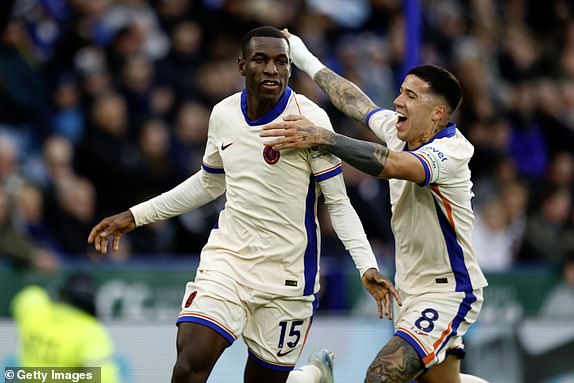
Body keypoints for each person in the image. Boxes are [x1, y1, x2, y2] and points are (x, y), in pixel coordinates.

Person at [88, 26, 400, 383]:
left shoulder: (309, 120)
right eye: (261, 60)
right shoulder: (223, 115)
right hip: (229, 261)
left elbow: (338, 203)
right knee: (188, 368)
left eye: (281, 61)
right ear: (241, 66)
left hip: (288, 276)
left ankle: (309, 377)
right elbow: (209, 181)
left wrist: (366, 265)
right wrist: (136, 215)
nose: (272, 70)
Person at [260, 30, 489, 383]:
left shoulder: (452, 154)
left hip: (448, 291)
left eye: (410, 96)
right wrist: (303, 55)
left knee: (381, 376)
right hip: (412, 292)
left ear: (437, 113)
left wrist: (325, 137)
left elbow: (393, 166)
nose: (398, 102)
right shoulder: (402, 133)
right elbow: (354, 101)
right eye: (400, 91)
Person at [10, 272, 120, 383]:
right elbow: (105, 378)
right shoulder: (91, 332)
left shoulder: (35, 310)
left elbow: (29, 295)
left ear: (63, 294)